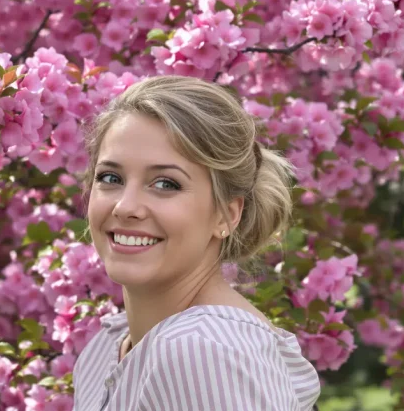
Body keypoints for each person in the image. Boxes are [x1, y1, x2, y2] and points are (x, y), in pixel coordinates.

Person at [72, 76, 321, 410]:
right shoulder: (105, 347)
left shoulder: (206, 351)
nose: (126, 207)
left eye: (165, 183)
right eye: (110, 178)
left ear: (226, 214)